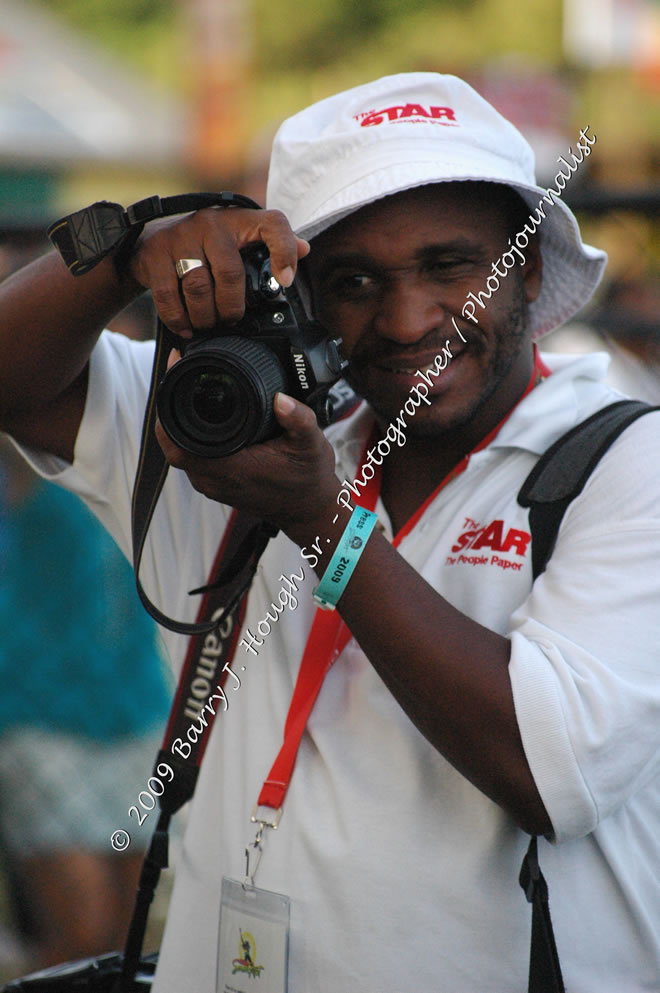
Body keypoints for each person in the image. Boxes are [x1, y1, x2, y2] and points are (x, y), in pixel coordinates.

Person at [0, 72, 658, 992]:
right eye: (353, 281)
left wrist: (322, 524)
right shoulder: (237, 432)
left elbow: (550, 772)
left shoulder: (627, 463)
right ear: (304, 296)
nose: (410, 318)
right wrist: (125, 250)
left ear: (532, 268)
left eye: (450, 266)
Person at [0, 439, 172, 971]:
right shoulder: (27, 432)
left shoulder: (150, 434)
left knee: (126, 942)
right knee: (83, 933)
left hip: (136, 707)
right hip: (41, 714)